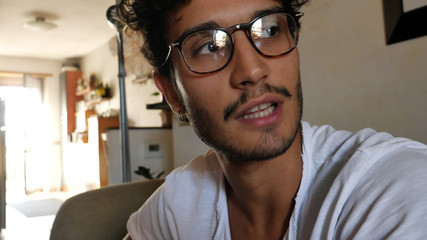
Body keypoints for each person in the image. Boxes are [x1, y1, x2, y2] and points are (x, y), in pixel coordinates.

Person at [117, 0, 427, 239]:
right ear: (171, 93)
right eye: (210, 46)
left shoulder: (394, 189)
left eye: (269, 30)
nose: (252, 71)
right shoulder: (178, 204)